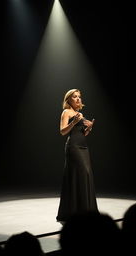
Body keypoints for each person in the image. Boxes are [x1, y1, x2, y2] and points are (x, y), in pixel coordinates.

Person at [56, 89, 99, 223]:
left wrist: (89, 128)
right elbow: (63, 131)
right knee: (79, 175)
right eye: (75, 97)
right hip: (73, 147)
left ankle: (85, 212)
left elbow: (83, 133)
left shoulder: (80, 114)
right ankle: (74, 212)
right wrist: (73, 122)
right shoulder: (67, 112)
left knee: (86, 176)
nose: (78, 99)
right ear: (68, 99)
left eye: (79, 97)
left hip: (84, 147)